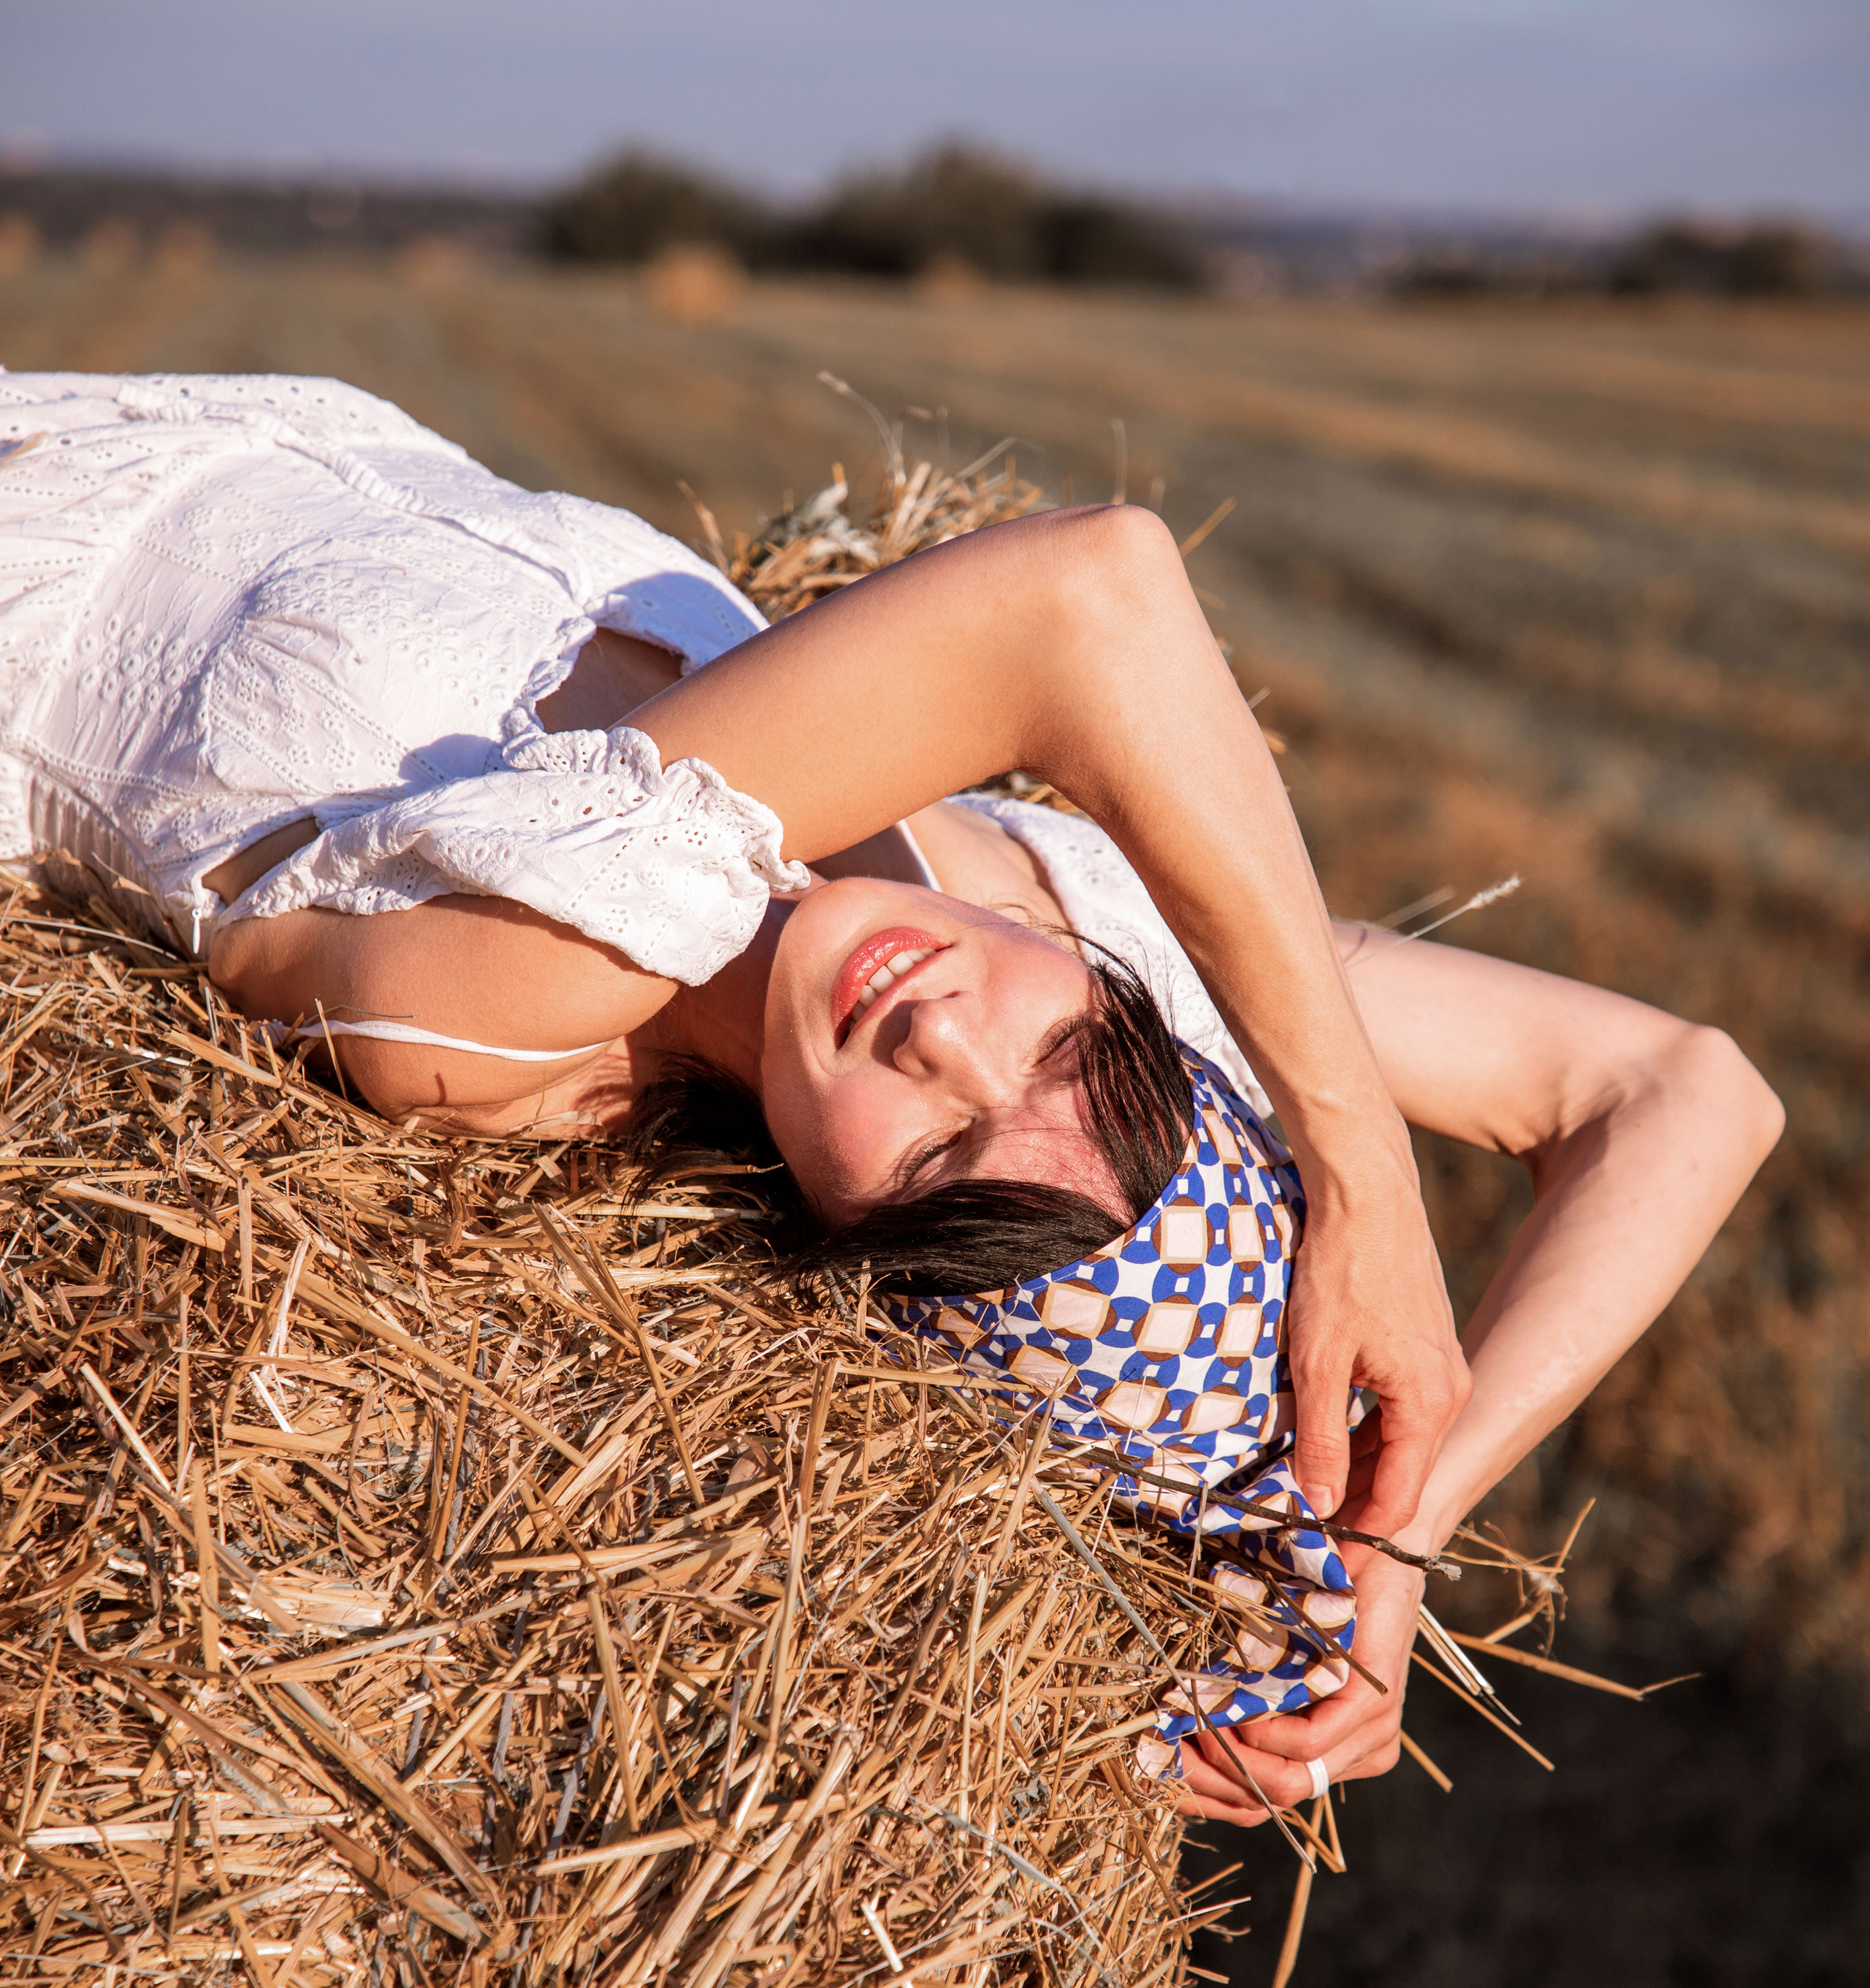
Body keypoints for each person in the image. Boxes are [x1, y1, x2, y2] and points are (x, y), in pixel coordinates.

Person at [0, 371, 1783, 1829]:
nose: (938, 1032)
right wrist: (1391, 1518)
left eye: (938, 1150)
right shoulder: (1046, 917)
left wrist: (1358, 1183)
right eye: (1073, 1053)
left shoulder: (516, 1018)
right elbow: (1678, 1090)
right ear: (1149, 1023)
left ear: (853, 1241)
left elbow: (1087, 596)